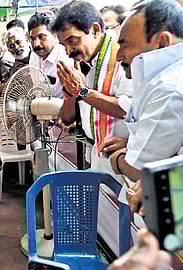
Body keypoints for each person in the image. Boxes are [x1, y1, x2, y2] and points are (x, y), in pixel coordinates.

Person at [52, 0, 133, 199]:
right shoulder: (83, 65)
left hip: (126, 160)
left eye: (72, 41)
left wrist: (83, 92)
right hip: (99, 159)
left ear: (95, 30)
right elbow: (68, 118)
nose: (69, 52)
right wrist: (71, 95)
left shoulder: (123, 57)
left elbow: (129, 109)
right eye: (64, 45)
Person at [108, 0, 183, 185]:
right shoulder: (161, 82)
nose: (118, 56)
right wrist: (130, 147)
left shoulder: (169, 89)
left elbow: (138, 169)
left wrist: (117, 161)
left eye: (125, 45)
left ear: (162, 42)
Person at [28, 12, 73, 98]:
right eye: (32, 39)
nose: (36, 44)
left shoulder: (66, 59)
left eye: (41, 37)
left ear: (55, 35)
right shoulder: (33, 56)